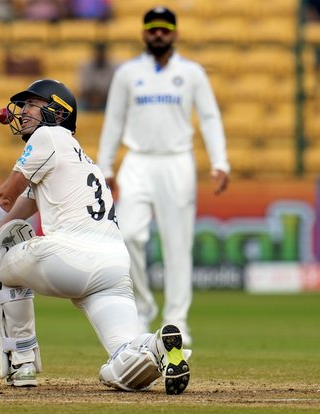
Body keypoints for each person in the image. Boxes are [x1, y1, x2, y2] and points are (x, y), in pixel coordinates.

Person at [0, 79, 191, 395]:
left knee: (7, 248)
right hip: (114, 266)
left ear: (58, 114)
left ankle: (22, 361)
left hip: (69, 257)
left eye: (33, 104)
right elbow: (17, 210)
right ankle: (158, 345)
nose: (24, 111)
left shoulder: (48, 137)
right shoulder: (80, 159)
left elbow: (4, 196)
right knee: (122, 361)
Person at [96, 6, 230, 345]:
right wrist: (106, 167)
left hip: (177, 160)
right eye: (153, 29)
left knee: (177, 244)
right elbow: (113, 121)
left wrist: (220, 161)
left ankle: (177, 321)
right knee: (128, 237)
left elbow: (210, 117)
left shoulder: (191, 73)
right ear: (143, 33)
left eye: (164, 29)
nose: (158, 34)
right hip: (138, 160)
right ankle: (142, 308)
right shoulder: (127, 74)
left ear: (175, 33)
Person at [78, 42, 117, 111]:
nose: (100, 55)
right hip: (88, 101)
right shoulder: (85, 66)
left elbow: (115, 89)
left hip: (107, 100)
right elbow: (82, 89)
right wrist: (93, 99)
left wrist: (100, 98)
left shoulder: (113, 67)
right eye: (98, 53)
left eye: (102, 53)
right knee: (77, 107)